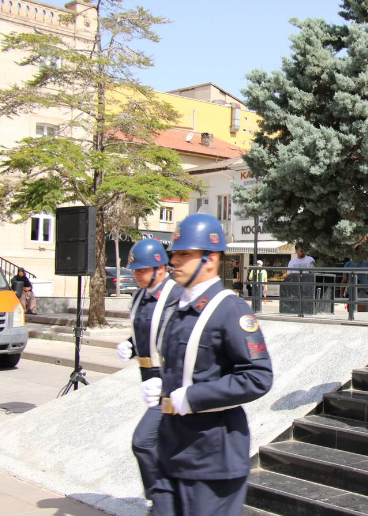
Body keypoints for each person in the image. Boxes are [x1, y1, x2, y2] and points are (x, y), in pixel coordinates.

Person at [143, 213, 273, 516]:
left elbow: (257, 377)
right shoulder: (180, 308)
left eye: (185, 254)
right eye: (174, 253)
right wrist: (160, 386)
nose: (174, 260)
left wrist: (193, 397)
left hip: (211, 458)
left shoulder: (230, 309)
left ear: (210, 259)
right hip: (173, 449)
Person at [115, 239, 182, 504]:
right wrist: (131, 345)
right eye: (135, 270)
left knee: (143, 442)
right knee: (167, 445)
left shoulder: (176, 296)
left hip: (171, 383)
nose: (137, 275)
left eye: (141, 270)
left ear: (160, 268)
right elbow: (149, 331)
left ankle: (161, 501)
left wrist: (164, 381)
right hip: (149, 381)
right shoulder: (140, 297)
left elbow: (180, 340)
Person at [340, 245, 368, 312]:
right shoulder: (348, 264)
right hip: (351, 291)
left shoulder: (367, 265)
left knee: (366, 311)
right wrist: (341, 294)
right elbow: (344, 280)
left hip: (364, 292)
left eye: (363, 251)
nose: (361, 253)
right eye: (360, 251)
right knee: (354, 309)